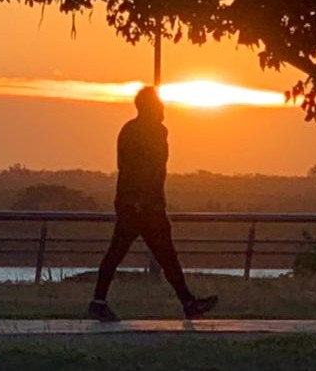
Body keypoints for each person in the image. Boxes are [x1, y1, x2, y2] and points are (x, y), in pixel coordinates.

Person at [87, 85, 218, 322]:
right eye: (159, 105)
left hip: (143, 204)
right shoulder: (144, 132)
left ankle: (187, 302)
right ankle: (187, 303)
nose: (163, 108)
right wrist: (140, 200)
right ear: (149, 108)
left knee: (157, 255)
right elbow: (136, 169)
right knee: (150, 254)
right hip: (142, 206)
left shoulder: (141, 130)